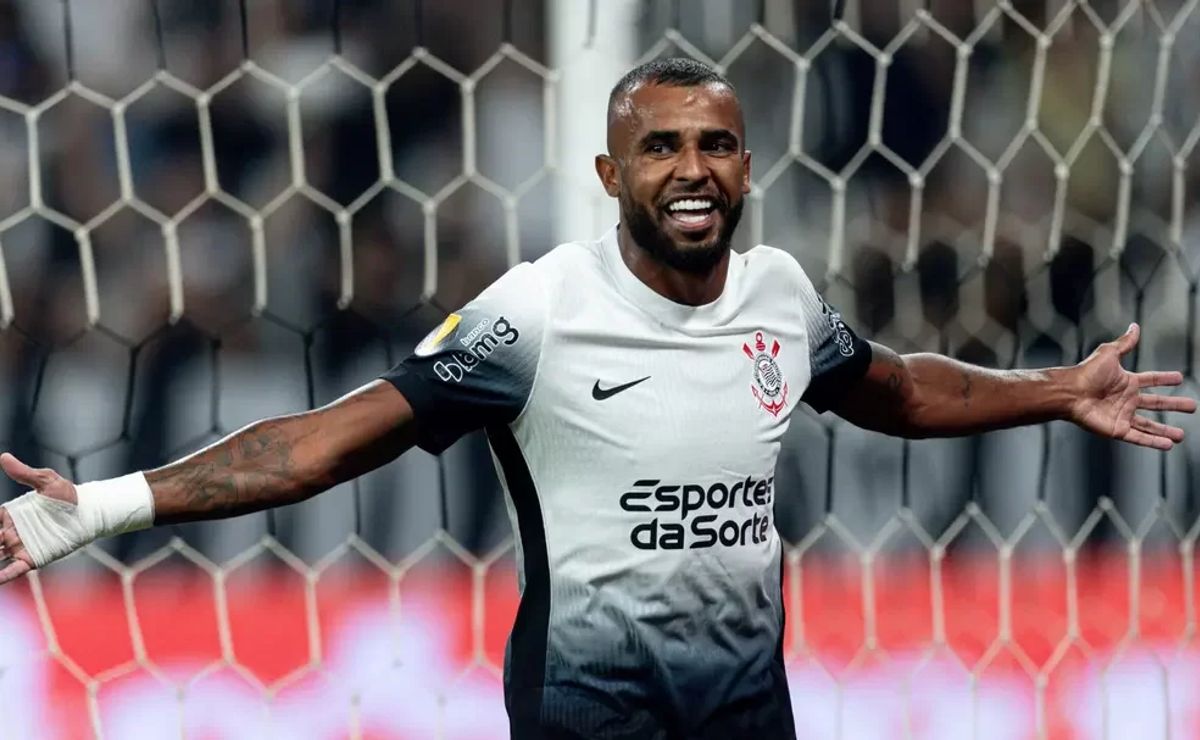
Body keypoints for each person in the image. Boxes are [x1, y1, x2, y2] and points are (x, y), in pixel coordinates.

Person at [0, 58, 1194, 738]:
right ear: (610, 172)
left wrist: (1058, 390)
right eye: (662, 147)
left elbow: (896, 392)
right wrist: (97, 506)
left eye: (714, 144)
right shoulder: (537, 310)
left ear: (747, 165)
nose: (692, 169)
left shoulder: (779, 296)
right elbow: (320, 446)